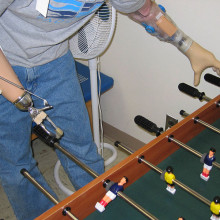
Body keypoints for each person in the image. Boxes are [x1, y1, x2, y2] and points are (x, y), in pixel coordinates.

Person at [0, 0, 220, 219]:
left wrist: (189, 46)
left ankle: (104, 213)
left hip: (55, 61)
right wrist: (11, 88)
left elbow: (145, 12)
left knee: (83, 151)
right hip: (5, 61)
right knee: (16, 168)